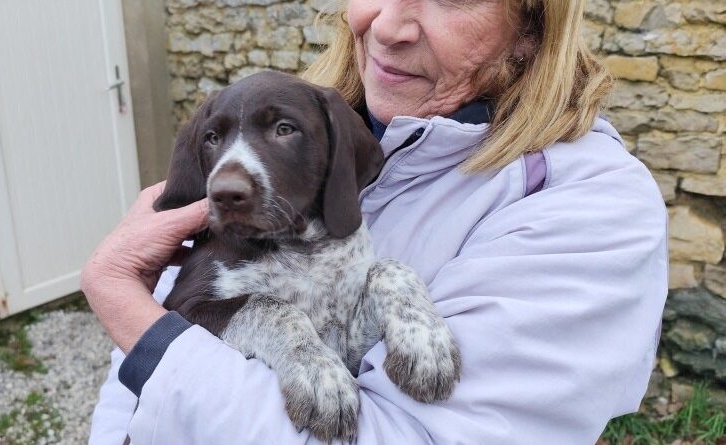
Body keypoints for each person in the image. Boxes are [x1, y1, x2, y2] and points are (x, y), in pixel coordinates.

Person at [84, 0, 669, 443]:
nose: (387, 26)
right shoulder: (307, 124)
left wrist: (122, 301)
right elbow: (132, 383)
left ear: (530, 31)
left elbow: (143, 330)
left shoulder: (592, 207)